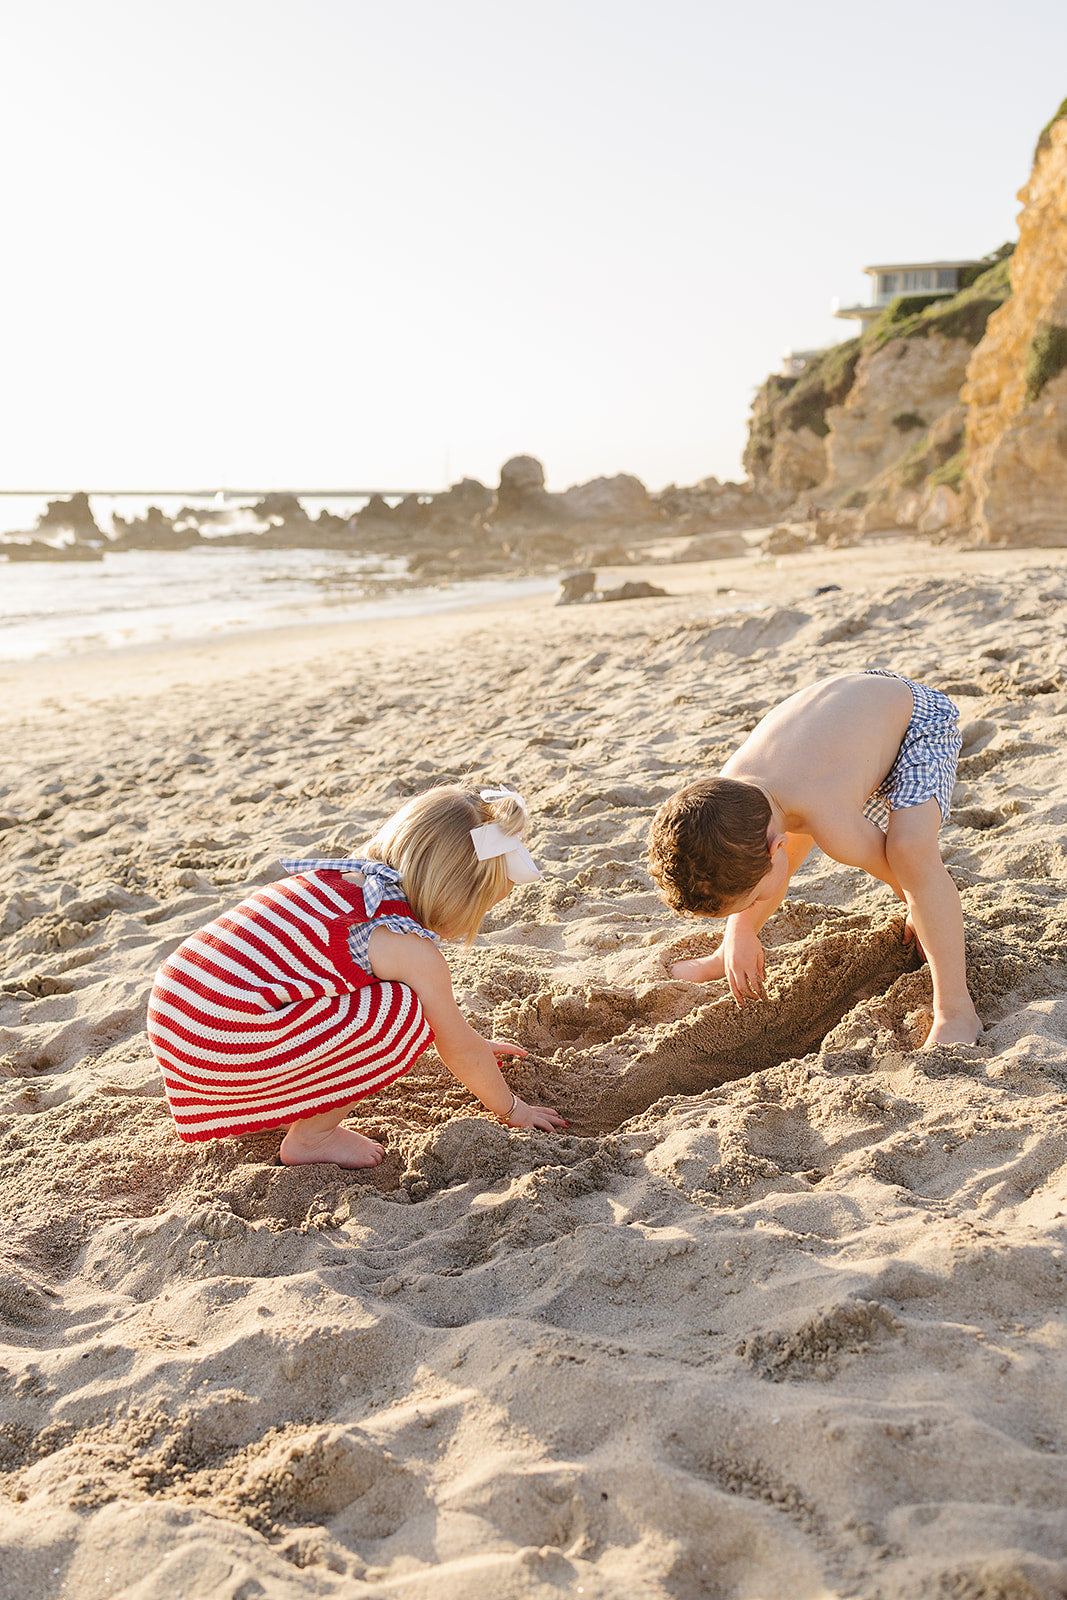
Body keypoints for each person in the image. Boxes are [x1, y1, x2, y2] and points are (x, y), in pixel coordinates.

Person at [147, 785, 565, 1168]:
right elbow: (457, 1048)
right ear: (457, 896)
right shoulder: (407, 946)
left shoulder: (341, 877)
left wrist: (467, 1038)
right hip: (224, 1043)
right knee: (401, 1013)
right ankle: (312, 1138)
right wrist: (514, 1109)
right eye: (483, 907)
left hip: (181, 1016)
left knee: (364, 1003)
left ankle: (274, 1104)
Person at [645, 670, 980, 1048]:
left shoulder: (833, 824)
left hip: (915, 724)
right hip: (849, 719)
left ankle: (957, 1010)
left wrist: (920, 913)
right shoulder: (731, 798)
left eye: (754, 900)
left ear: (776, 847)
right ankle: (726, 953)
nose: (754, 904)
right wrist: (740, 930)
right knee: (784, 830)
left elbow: (908, 880)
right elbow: (753, 849)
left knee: (908, 852)